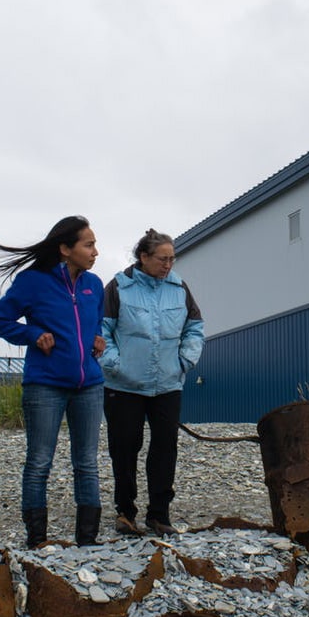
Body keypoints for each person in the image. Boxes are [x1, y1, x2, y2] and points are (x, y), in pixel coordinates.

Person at [0, 216, 107, 548]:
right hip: (45, 385)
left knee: (87, 462)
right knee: (39, 461)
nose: (96, 251)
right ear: (66, 249)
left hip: (89, 384)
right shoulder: (33, 282)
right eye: (89, 244)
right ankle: (37, 539)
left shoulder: (94, 284)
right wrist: (32, 334)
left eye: (94, 244)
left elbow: (96, 322)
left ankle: (87, 540)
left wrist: (98, 336)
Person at [99, 228, 204, 536]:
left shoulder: (179, 288)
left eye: (172, 259)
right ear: (143, 257)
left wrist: (185, 361)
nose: (168, 265)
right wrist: (114, 365)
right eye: (162, 259)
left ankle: (159, 515)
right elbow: (102, 331)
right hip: (123, 385)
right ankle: (125, 512)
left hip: (168, 385)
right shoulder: (119, 287)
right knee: (124, 448)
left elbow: (195, 328)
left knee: (165, 449)